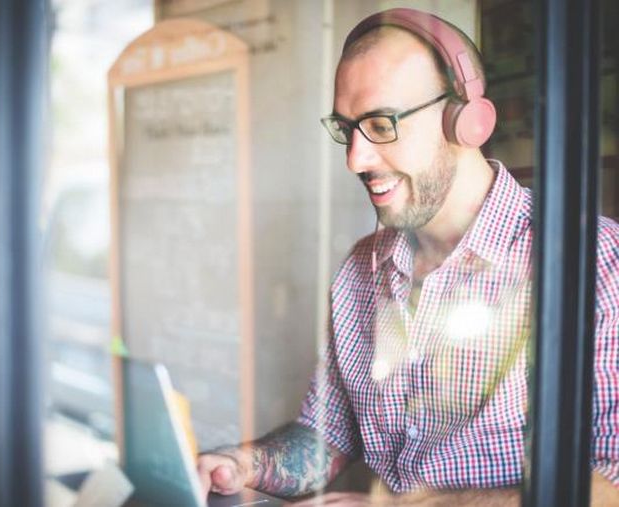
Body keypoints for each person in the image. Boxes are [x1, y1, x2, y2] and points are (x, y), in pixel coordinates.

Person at [196, 8, 619, 506]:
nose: (356, 158)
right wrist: (241, 464)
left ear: (467, 121)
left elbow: (612, 484)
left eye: (381, 124)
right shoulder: (361, 269)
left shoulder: (598, 266)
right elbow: (327, 434)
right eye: (347, 129)